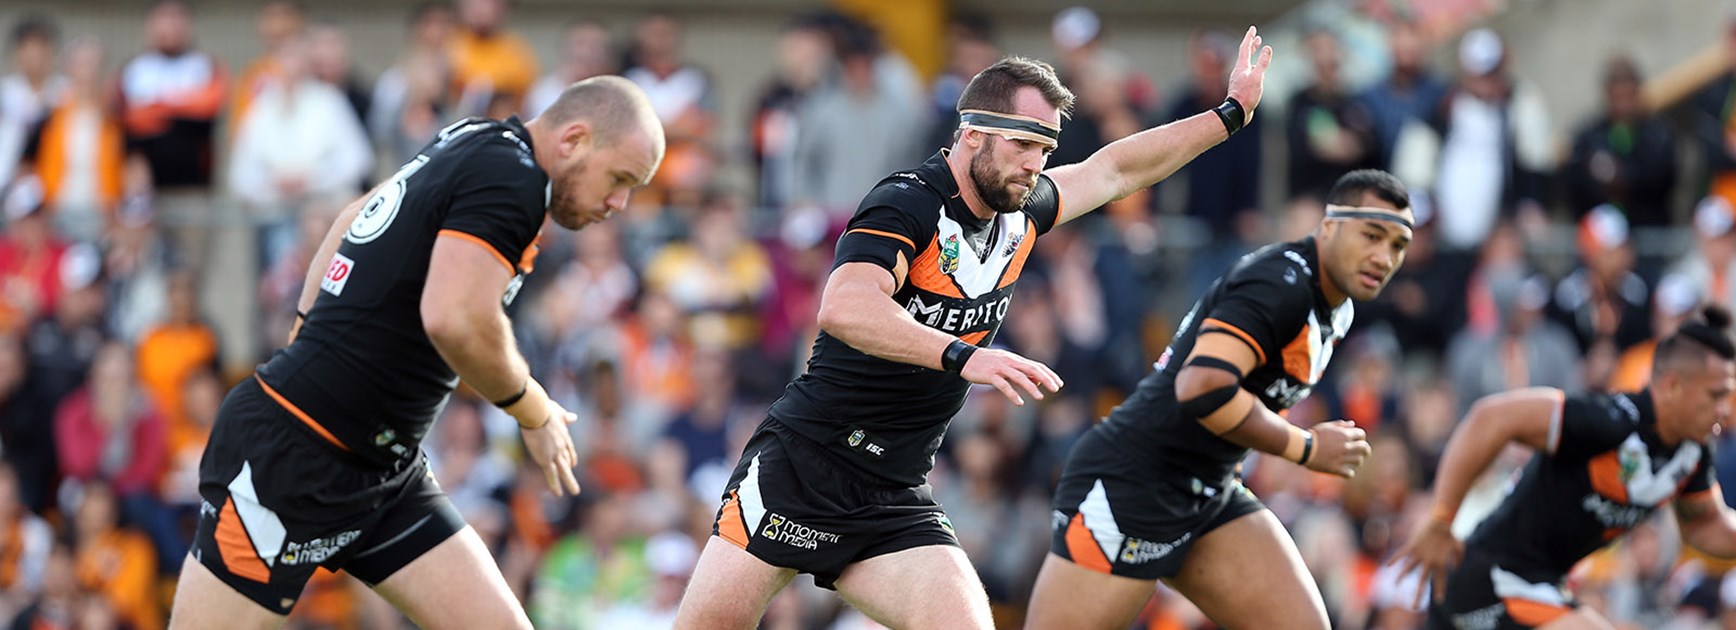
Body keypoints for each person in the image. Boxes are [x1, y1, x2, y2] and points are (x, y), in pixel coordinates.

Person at [674, 27, 1274, 630]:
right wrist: (964, 356)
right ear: (972, 133)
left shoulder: (1022, 210)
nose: (1035, 164)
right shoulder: (906, 202)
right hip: (805, 464)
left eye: (1046, 148)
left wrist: (1228, 115)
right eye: (1023, 144)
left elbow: (1116, 169)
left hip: (895, 488)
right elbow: (845, 308)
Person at [166, 75, 664, 629]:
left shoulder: (477, 138)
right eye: (619, 179)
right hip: (293, 454)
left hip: (383, 472)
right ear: (573, 140)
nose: (619, 203)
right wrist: (532, 409)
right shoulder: (514, 180)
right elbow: (455, 319)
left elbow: (352, 217)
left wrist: (306, 331)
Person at [1023, 169, 1412, 629]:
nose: (1384, 257)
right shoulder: (1281, 284)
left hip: (1208, 488)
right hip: (1132, 483)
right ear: (1329, 227)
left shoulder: (1338, 308)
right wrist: (1305, 447)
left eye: (1398, 245)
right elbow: (1202, 387)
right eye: (1372, 235)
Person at [1392, 305, 1736, 629]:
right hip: (1489, 580)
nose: (1725, 409)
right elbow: (1490, 417)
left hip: (1538, 586)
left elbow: (1706, 524)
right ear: (1672, 385)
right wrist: (1441, 517)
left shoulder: (1691, 452)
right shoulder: (1608, 422)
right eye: (1716, 395)